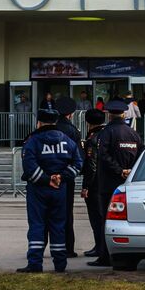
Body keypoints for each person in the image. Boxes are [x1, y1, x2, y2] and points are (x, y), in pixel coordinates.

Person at [19, 107, 83, 273]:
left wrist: (47, 180)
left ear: (39, 122)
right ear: (55, 122)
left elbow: (29, 167)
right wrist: (61, 177)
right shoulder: (67, 140)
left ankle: (35, 263)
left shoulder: (33, 141)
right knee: (58, 225)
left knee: (37, 225)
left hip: (38, 190)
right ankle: (60, 263)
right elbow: (78, 163)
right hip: (60, 190)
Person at [93, 99, 144, 266]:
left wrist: (118, 170)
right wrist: (129, 170)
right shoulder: (132, 133)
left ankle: (105, 257)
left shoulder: (106, 133)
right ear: (123, 114)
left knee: (105, 220)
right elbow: (140, 153)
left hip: (108, 184)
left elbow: (103, 155)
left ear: (109, 114)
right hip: (128, 185)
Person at [52, 97, 83, 256]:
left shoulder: (50, 128)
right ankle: (68, 248)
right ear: (71, 114)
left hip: (48, 178)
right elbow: (78, 157)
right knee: (66, 213)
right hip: (66, 177)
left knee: (46, 214)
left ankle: (44, 246)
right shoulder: (73, 131)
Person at [80, 108, 107, 260]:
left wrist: (86, 186)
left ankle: (99, 247)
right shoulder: (108, 134)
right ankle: (100, 246)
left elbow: (91, 165)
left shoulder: (93, 138)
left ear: (88, 122)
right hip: (109, 181)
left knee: (96, 217)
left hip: (96, 184)